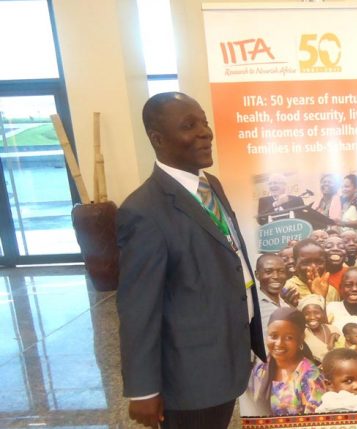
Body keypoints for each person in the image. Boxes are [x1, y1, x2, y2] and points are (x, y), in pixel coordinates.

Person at [116, 92, 266, 429]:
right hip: (191, 377)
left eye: (204, 122)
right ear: (158, 139)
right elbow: (138, 307)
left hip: (227, 354)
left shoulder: (210, 184)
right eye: (189, 125)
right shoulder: (143, 212)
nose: (205, 132)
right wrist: (142, 390)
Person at [248, 307, 326, 415]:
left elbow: (314, 422)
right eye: (273, 336)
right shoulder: (260, 369)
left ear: (301, 338)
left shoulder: (311, 376)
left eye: (289, 337)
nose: (279, 343)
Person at [283, 239, 340, 304]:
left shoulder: (332, 291)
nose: (313, 267)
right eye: (306, 262)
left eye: (319, 262)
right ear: (295, 264)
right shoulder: (288, 289)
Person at [298, 294, 345, 364]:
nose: (312, 317)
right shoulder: (301, 335)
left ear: (323, 313)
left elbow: (346, 351)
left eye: (316, 312)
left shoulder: (333, 329)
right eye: (307, 314)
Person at [255, 253, 291, 340]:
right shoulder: (252, 306)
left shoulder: (287, 305)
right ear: (257, 275)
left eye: (281, 271)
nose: (276, 276)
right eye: (268, 272)